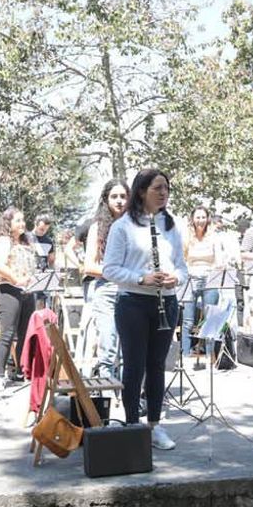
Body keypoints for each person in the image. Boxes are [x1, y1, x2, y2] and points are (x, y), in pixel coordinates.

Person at [101, 168, 186, 450]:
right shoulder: (123, 226)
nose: (163, 193)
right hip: (133, 303)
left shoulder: (171, 225)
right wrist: (141, 278)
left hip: (166, 301)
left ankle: (154, 425)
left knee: (157, 366)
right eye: (157, 188)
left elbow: (182, 267)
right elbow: (110, 269)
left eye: (166, 188)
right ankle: (133, 426)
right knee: (134, 366)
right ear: (141, 191)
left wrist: (176, 278)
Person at [81, 180, 128, 381]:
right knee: (108, 345)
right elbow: (89, 266)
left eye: (123, 196)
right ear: (106, 199)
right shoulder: (97, 227)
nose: (119, 201)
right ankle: (107, 390)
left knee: (129, 348)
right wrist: (116, 273)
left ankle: (129, 393)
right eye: (114, 196)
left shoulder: (135, 225)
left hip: (130, 291)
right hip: (106, 290)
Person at [0, 207, 38, 386]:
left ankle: (19, 371)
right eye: (18, 220)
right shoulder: (4, 241)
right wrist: (16, 279)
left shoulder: (26, 243)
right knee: (8, 333)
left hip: (27, 291)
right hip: (9, 289)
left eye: (23, 220)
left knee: (25, 333)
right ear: (8, 223)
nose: (22, 224)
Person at [180, 206, 223, 368]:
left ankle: (210, 357)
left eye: (203, 217)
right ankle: (185, 357)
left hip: (210, 278)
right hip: (191, 278)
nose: (200, 220)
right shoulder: (186, 236)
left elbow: (219, 259)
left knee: (210, 318)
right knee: (188, 321)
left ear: (207, 219)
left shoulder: (214, 237)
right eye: (197, 217)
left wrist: (218, 268)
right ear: (192, 219)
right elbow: (181, 258)